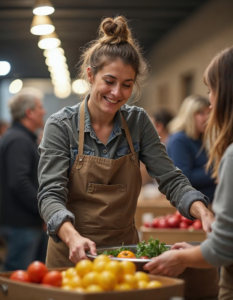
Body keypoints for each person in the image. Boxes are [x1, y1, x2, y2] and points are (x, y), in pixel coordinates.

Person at [38, 16, 214, 268]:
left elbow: (171, 179)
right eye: (109, 81)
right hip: (71, 253)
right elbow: (50, 195)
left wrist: (202, 211)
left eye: (126, 85)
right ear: (90, 75)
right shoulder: (60, 125)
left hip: (124, 254)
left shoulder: (138, 122)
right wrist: (72, 236)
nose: (117, 93)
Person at [144, 46, 233, 299]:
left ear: (225, 95)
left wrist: (184, 256)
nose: (210, 105)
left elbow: (225, 247)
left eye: (210, 91)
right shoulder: (183, 141)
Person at [0, 88, 46, 271]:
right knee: (18, 279)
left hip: (23, 222)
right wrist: (44, 210)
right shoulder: (19, 140)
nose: (44, 112)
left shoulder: (20, 138)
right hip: (20, 224)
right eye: (40, 107)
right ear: (29, 112)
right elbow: (19, 182)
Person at [167, 95, 216, 203]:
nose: (207, 118)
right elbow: (185, 178)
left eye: (209, 113)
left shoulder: (197, 138)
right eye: (201, 113)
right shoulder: (179, 140)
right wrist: (217, 171)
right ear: (189, 115)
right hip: (194, 206)